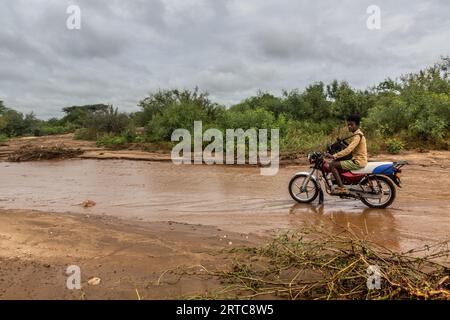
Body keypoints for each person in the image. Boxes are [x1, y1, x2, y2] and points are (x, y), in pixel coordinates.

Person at [325, 115, 368, 194]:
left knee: (332, 165)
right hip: (358, 159)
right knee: (337, 163)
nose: (349, 126)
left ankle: (342, 188)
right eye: (348, 125)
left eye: (351, 124)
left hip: (358, 161)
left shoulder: (358, 136)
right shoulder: (357, 134)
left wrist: (334, 155)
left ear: (357, 125)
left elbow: (349, 149)